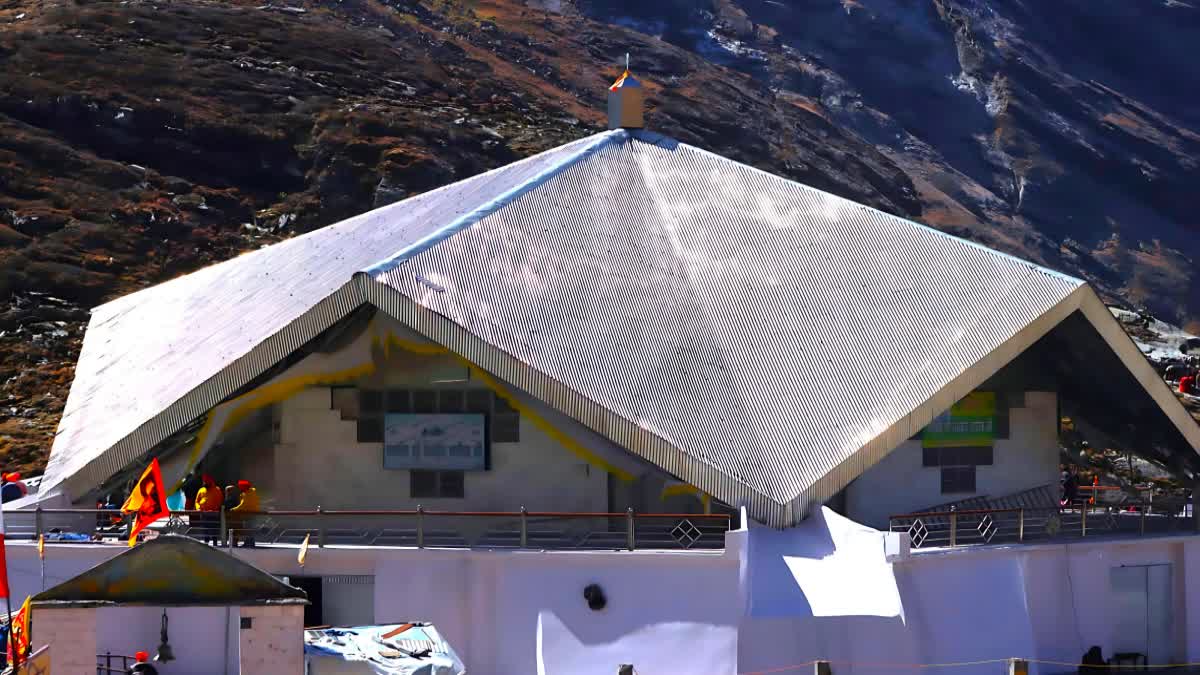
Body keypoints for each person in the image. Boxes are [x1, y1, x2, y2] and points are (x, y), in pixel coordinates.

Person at [194, 475, 223, 544]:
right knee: (205, 529)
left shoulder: (217, 490)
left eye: (206, 482)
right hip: (204, 514)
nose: (205, 484)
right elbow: (196, 501)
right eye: (204, 482)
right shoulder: (201, 490)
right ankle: (206, 543)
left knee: (214, 529)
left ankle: (215, 543)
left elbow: (219, 501)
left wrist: (214, 509)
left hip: (213, 514)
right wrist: (198, 508)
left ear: (210, 482)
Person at [231, 480, 260, 548]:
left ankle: (249, 543)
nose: (239, 488)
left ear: (244, 487)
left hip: (249, 514)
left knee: (248, 528)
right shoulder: (251, 492)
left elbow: (243, 505)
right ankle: (250, 542)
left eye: (240, 487)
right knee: (250, 528)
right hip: (252, 513)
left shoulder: (247, 494)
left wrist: (234, 509)